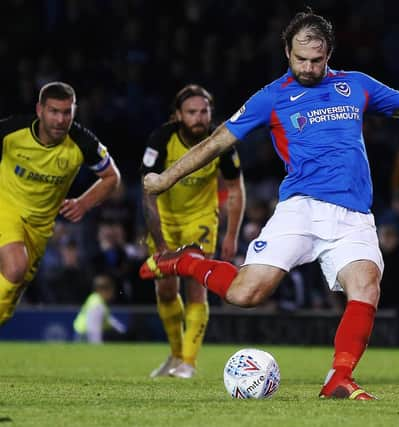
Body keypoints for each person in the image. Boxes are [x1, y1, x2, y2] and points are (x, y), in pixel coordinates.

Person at [139, 9, 399, 400]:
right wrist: (166, 178)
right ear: (287, 51)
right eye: (300, 58)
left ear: (329, 52)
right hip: (301, 209)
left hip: (353, 216)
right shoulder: (272, 96)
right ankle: (185, 260)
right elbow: (217, 142)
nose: (308, 66)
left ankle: (339, 377)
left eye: (316, 59)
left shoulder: (356, 85)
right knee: (244, 295)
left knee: (366, 285)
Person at [140, 84, 245, 379]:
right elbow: (147, 192)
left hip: (200, 221)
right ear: (177, 115)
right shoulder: (160, 140)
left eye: (204, 111)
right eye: (191, 112)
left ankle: (188, 362)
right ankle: (174, 355)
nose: (199, 118)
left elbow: (236, 190)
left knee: (196, 284)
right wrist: (158, 240)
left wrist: (231, 235)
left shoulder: (220, 142)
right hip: (165, 220)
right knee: (165, 288)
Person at [0, 81, 121, 326]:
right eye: (54, 111)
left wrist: (84, 203)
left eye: (67, 112)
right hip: (7, 208)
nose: (60, 119)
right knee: (15, 267)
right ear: (39, 110)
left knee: (10, 297)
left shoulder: (83, 142)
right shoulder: (12, 131)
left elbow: (112, 177)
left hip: (40, 227)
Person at [73, 274, 126, 343]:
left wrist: (121, 329)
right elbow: (93, 328)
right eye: (111, 290)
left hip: (83, 333)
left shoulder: (96, 299)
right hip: (85, 335)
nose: (113, 294)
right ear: (103, 290)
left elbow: (108, 319)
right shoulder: (97, 304)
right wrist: (97, 344)